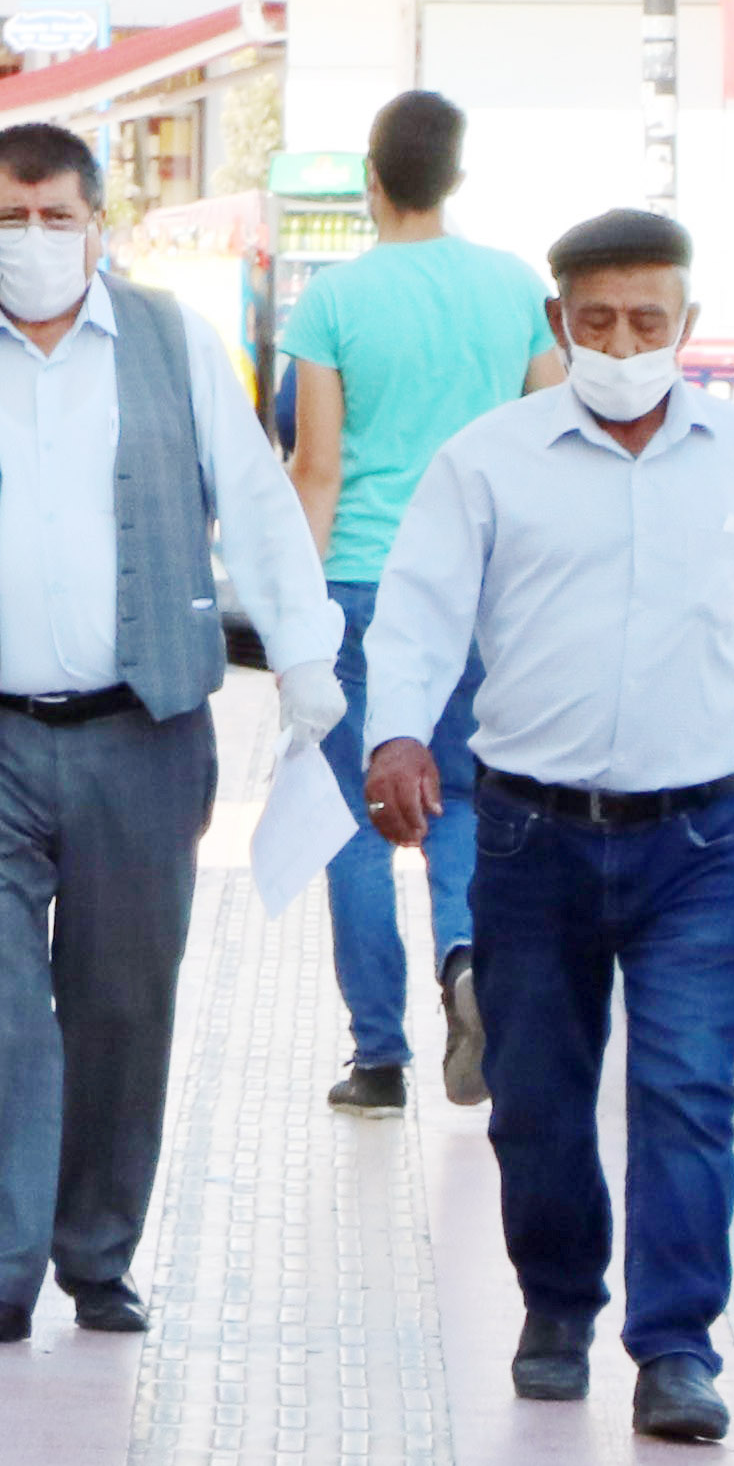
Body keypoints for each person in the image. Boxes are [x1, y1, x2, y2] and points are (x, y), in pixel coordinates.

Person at [0, 119, 340, 1349]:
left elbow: (256, 499)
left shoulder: (170, 341)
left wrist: (307, 659)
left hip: (141, 729)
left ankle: (99, 1251)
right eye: (10, 215)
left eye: (57, 216)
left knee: (120, 1000)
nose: (34, 239)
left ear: (98, 222)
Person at [362, 206, 734, 1444]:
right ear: (557, 323)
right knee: (537, 1090)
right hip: (535, 835)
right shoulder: (489, 458)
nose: (623, 341)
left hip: (706, 837)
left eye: (647, 320)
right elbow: (417, 612)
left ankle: (677, 1345)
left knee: (687, 1088)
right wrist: (398, 734)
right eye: (597, 321)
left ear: (686, 323)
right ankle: (558, 1304)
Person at [281, 90, 558, 1115]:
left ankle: (379, 1055)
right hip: (484, 587)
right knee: (465, 801)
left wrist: (294, 609)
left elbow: (317, 467)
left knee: (356, 822)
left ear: (372, 178)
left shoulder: (333, 303)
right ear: (455, 177)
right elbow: (546, 436)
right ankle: (464, 965)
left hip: (361, 578)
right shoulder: (516, 288)